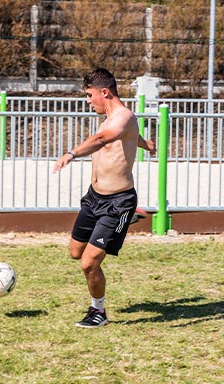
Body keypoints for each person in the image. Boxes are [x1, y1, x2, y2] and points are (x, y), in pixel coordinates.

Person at [53, 68, 155, 328]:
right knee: (75, 252)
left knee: (89, 263)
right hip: (94, 198)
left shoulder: (124, 116)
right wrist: (147, 145)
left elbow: (102, 139)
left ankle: (98, 312)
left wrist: (71, 154)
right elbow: (129, 137)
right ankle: (127, 221)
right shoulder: (111, 119)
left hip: (117, 202)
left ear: (105, 92)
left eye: (90, 95)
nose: (88, 101)